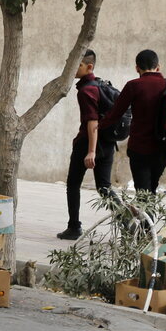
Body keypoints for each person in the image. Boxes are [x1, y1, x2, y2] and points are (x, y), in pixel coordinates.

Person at [58, 50, 115, 240]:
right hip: (107, 144)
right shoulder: (100, 85)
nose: (73, 67)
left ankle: (74, 227)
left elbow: (92, 121)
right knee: (104, 189)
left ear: (89, 67)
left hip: (88, 144)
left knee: (73, 184)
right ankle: (127, 222)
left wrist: (90, 151)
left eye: (78, 64)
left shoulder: (86, 91)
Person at [98, 48, 166, 192]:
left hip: (140, 147)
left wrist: (99, 126)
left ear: (137, 68)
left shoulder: (134, 85)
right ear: (158, 66)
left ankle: (145, 215)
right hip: (162, 148)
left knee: (142, 190)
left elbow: (116, 113)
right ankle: (149, 214)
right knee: (152, 189)